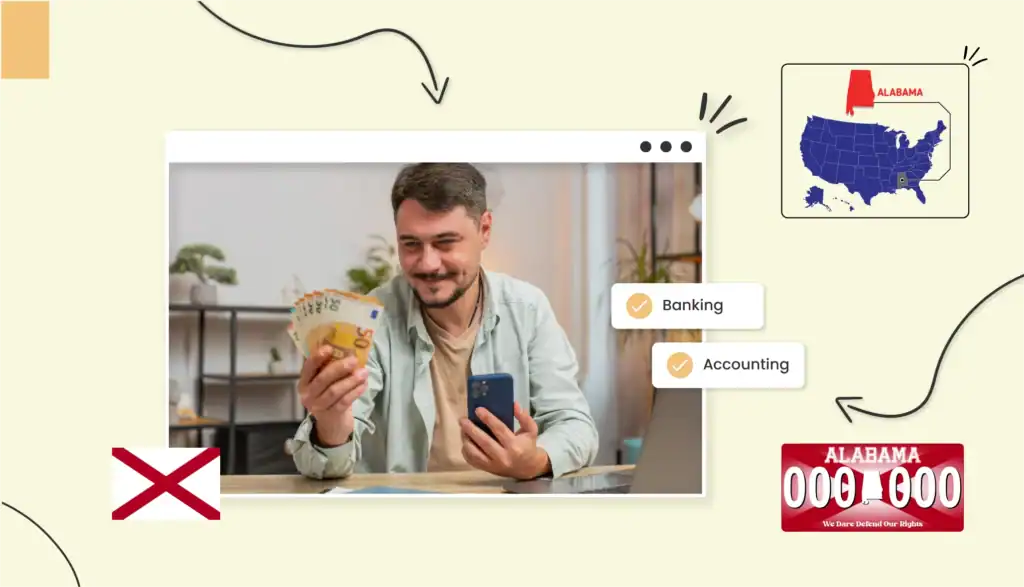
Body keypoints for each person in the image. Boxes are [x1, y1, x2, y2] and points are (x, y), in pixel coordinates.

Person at [288, 163, 599, 481]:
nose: (428, 264)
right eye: (411, 244)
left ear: (485, 230)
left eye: (445, 242)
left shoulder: (528, 309)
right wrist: (331, 424)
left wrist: (534, 461)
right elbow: (325, 467)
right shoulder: (373, 319)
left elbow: (575, 425)